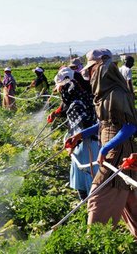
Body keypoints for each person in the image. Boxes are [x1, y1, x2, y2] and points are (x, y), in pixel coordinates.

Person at [65, 48, 137, 237]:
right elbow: (104, 124)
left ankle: (94, 240)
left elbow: (130, 127)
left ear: (103, 66)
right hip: (115, 151)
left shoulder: (117, 93)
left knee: (98, 198)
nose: (90, 73)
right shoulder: (104, 94)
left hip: (119, 154)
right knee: (129, 200)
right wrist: (80, 135)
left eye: (93, 68)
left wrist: (105, 147)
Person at [48, 67, 99, 200]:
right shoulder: (83, 95)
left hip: (86, 147)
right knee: (89, 177)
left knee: (86, 178)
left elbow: (84, 127)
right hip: (91, 143)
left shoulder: (75, 104)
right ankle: (90, 207)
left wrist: (74, 143)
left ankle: (90, 210)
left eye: (60, 89)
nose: (59, 92)